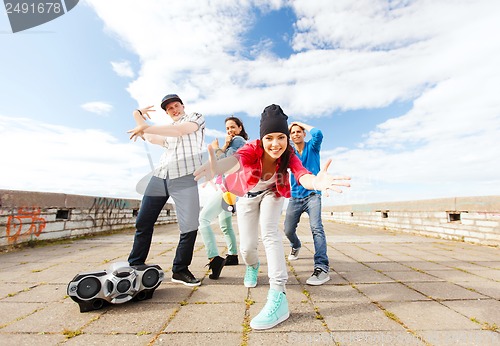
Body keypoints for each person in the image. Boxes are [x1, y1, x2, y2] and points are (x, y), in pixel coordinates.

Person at [194, 104, 350, 330]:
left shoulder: (289, 154)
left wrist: (316, 182)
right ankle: (253, 266)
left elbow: (302, 174)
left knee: (270, 233)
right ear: (262, 138)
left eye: (280, 137)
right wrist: (219, 166)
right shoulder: (251, 148)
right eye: (269, 138)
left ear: (286, 137)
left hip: (273, 193)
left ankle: (279, 295)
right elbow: (236, 161)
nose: (275, 143)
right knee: (247, 247)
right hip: (248, 195)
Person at [127, 94, 205, 287]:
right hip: (160, 176)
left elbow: (179, 130)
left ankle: (180, 270)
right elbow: (151, 136)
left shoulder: (195, 118)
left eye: (176, 105)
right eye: (170, 109)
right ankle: (136, 263)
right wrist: (137, 114)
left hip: (184, 177)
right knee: (143, 221)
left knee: (189, 226)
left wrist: (144, 125)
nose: (174, 110)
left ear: (183, 105)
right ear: (167, 113)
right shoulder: (167, 134)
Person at [199, 116, 249, 279]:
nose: (230, 131)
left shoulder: (238, 140)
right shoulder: (235, 141)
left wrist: (219, 148)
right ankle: (233, 255)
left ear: (240, 128)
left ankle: (214, 258)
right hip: (227, 188)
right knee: (225, 224)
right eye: (227, 128)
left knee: (203, 219)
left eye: (233, 127)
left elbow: (227, 163)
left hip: (229, 188)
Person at [284, 121, 330, 285]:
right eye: (293, 132)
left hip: (313, 195)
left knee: (316, 228)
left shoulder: (313, 147)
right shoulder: (289, 153)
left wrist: (299, 123)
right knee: (288, 229)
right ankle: (295, 245)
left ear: (303, 134)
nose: (296, 134)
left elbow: (318, 133)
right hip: (295, 197)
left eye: (298, 131)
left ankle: (322, 267)